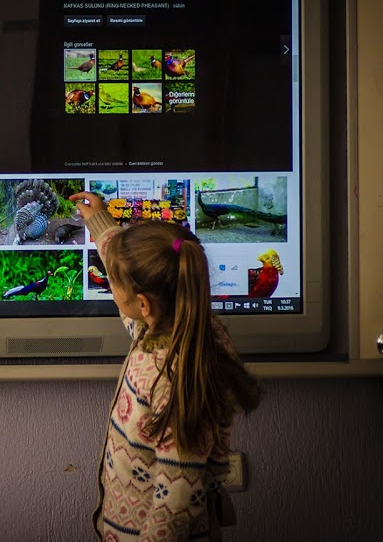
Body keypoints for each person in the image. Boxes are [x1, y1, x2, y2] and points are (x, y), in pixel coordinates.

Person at [69, 190, 261, 541]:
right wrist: (99, 221)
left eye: (113, 285)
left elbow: (177, 502)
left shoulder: (175, 377)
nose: (112, 289)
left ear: (143, 304)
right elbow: (128, 267)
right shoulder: (187, 330)